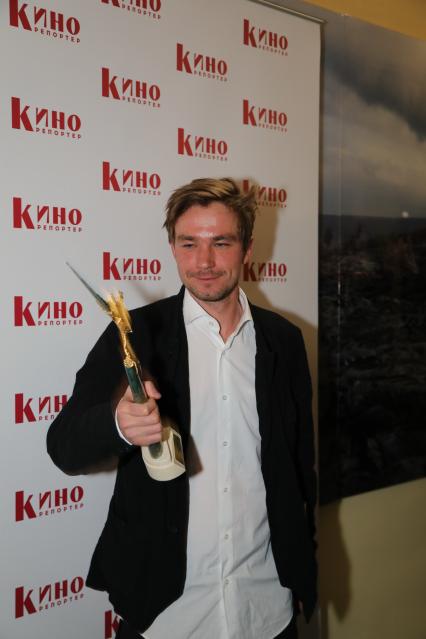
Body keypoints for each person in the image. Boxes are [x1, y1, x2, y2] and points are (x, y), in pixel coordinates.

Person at [47, 177, 317, 639]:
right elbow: (64, 447)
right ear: (172, 247)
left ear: (247, 249)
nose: (204, 261)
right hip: (166, 614)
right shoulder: (136, 335)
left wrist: (300, 564)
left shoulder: (284, 340)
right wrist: (117, 426)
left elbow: (299, 467)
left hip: (267, 608)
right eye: (189, 243)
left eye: (221, 243)